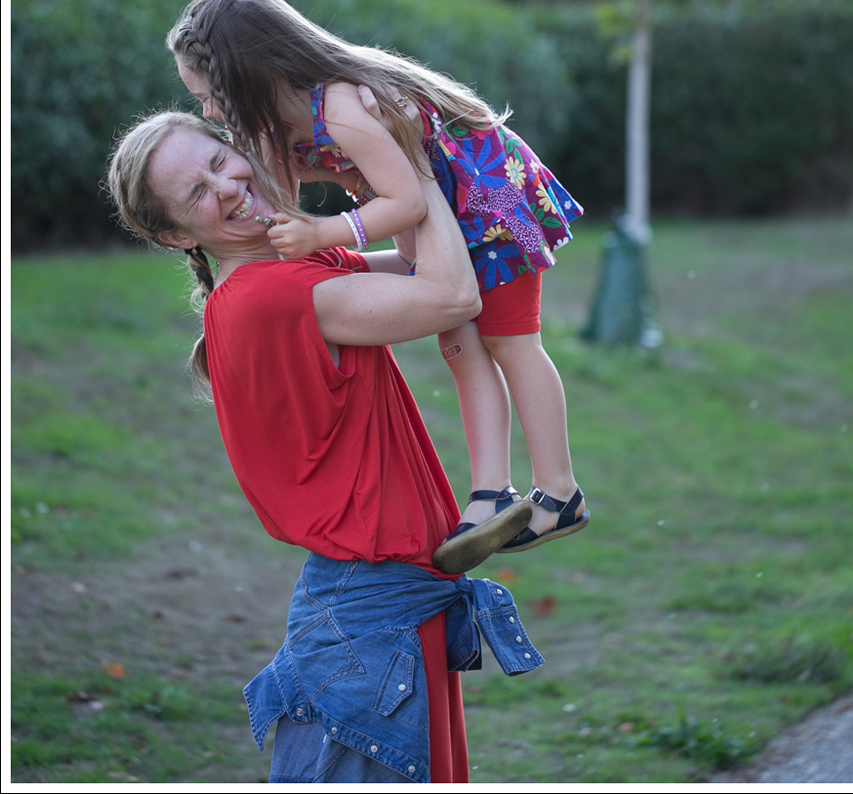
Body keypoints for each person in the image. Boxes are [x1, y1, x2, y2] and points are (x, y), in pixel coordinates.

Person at [106, 111, 544, 784]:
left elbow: (416, 261)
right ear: (174, 234)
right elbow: (452, 294)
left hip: (381, 604)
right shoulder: (269, 296)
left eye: (220, 160)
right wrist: (411, 168)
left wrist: (363, 175)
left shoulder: (294, 267)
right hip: (371, 616)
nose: (225, 185)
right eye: (196, 193)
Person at [168, 0, 589, 574]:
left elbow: (405, 204)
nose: (208, 110)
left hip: (487, 197)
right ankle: (491, 494)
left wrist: (322, 234)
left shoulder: (340, 105)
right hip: (448, 209)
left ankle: (560, 491)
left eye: (210, 95)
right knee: (460, 344)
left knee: (511, 342)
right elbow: (286, 199)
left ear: (247, 72)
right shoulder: (283, 119)